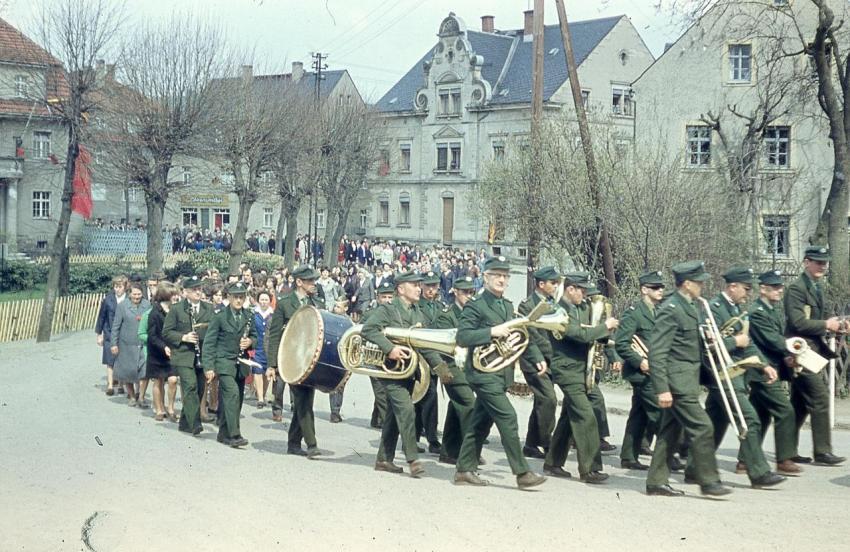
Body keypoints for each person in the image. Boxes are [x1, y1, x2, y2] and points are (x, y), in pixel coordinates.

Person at [453, 256, 546, 489]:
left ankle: (464, 470)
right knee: (508, 416)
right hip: (482, 374)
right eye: (496, 275)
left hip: (499, 373)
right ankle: (522, 473)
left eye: (505, 276)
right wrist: (493, 331)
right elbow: (462, 337)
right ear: (485, 277)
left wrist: (536, 358)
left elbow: (519, 336)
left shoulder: (507, 306)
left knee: (479, 424)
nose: (501, 279)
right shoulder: (476, 305)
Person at [645, 261, 730, 497]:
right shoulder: (672, 308)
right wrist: (662, 388)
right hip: (677, 383)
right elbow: (658, 352)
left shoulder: (690, 306)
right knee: (703, 427)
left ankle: (656, 482)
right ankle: (709, 481)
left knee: (669, 432)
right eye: (699, 282)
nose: (702, 285)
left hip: (686, 380)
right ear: (687, 284)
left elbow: (687, 345)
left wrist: (709, 340)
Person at [701, 266, 785, 489]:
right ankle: (759, 473)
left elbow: (748, 344)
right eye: (746, 289)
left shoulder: (738, 309)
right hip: (721, 375)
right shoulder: (714, 309)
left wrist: (763, 365)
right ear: (732, 286)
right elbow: (708, 346)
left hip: (737, 374)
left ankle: (693, 467)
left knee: (714, 425)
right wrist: (734, 343)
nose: (748, 293)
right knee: (749, 420)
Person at [362, 270, 439, 477]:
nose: (418, 288)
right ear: (401, 289)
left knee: (393, 416)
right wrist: (390, 349)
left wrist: (441, 368)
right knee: (406, 410)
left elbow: (424, 343)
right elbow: (368, 329)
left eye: (418, 285)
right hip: (390, 372)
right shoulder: (388, 310)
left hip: (409, 371)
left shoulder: (417, 312)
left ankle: (384, 459)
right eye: (414, 285)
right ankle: (413, 458)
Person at [542, 273, 615, 484]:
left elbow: (591, 333)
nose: (585, 295)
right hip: (566, 370)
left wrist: (605, 332)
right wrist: (604, 327)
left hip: (580, 369)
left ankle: (553, 463)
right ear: (570, 289)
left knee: (568, 417)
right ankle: (590, 469)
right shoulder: (558, 311)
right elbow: (578, 334)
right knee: (586, 416)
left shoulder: (581, 308)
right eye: (581, 290)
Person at [784, 245, 846, 465]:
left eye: (824, 262)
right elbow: (797, 322)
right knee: (820, 398)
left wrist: (836, 324)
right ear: (806, 262)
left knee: (799, 405)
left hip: (812, 352)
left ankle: (787, 451)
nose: (822, 266)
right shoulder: (797, 289)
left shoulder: (816, 287)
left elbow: (818, 319)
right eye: (818, 262)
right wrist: (826, 325)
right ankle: (822, 451)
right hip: (800, 353)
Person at [748, 269, 803, 475]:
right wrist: (794, 349)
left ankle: (745, 459)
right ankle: (784, 459)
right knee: (785, 411)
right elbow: (772, 340)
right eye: (775, 287)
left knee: (760, 416)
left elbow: (774, 341)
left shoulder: (771, 310)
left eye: (781, 286)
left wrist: (786, 357)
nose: (780, 290)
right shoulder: (757, 312)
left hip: (770, 368)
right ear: (763, 289)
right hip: (761, 371)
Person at [266, 266, 325, 458]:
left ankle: (293, 443)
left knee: (304, 400)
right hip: (290, 360)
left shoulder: (314, 303)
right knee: (303, 401)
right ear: (299, 282)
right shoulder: (284, 304)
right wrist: (272, 364)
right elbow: (274, 335)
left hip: (308, 360)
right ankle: (312, 444)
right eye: (310, 281)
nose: (314, 285)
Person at [615, 270, 665, 470]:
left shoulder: (658, 311)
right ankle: (671, 454)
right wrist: (640, 362)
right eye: (655, 287)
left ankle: (628, 456)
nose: (660, 290)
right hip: (641, 372)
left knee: (639, 414)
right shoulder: (634, 312)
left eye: (661, 287)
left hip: (654, 370)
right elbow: (621, 344)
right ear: (644, 290)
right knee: (661, 414)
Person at [203, 282, 256, 447]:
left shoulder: (249, 316)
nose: (239, 301)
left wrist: (250, 342)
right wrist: (209, 367)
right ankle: (234, 435)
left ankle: (223, 433)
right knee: (232, 394)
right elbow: (209, 343)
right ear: (229, 298)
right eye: (235, 297)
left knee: (236, 399)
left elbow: (255, 336)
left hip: (241, 363)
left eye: (242, 297)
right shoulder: (219, 317)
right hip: (224, 362)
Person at [517, 266, 560, 460]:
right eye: (553, 283)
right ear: (541, 284)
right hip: (534, 360)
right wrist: (550, 354)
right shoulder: (527, 305)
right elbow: (532, 335)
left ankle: (530, 444)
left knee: (541, 401)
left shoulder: (554, 304)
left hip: (550, 360)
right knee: (548, 399)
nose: (556, 286)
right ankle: (547, 441)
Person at [433, 276, 477, 464]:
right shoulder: (446, 315)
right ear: (455, 292)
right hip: (451, 367)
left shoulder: (472, 313)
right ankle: (470, 453)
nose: (468, 296)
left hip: (468, 367)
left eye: (471, 292)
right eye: (465, 292)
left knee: (457, 405)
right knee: (469, 405)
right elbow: (442, 347)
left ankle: (449, 451)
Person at [164, 275, 214, 433]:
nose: (198, 292)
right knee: (190, 386)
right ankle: (195, 423)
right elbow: (166, 332)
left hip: (202, 355)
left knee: (199, 389)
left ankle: (185, 422)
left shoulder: (208, 308)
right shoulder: (177, 309)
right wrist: (183, 337)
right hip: (184, 355)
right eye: (194, 290)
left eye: (199, 289)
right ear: (185, 292)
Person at [415, 271, 444, 454]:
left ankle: (429, 438)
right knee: (421, 399)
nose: (431, 290)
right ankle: (420, 439)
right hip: (420, 360)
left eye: (434, 286)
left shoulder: (441, 307)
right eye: (428, 286)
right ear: (422, 286)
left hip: (436, 358)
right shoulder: (417, 307)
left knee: (430, 400)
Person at [110, 283, 150, 405]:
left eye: (139, 294)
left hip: (143, 344)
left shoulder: (147, 305)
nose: (137, 297)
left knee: (144, 372)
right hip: (126, 344)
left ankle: (141, 397)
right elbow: (116, 326)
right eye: (134, 294)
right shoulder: (122, 306)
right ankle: (132, 396)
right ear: (129, 294)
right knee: (128, 372)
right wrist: (113, 344)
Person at [146, 282, 179, 421]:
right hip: (157, 352)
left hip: (172, 351)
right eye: (173, 294)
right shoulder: (154, 312)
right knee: (158, 381)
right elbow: (152, 336)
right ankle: (159, 409)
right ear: (166, 295)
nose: (176, 297)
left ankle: (171, 407)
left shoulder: (175, 310)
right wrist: (163, 347)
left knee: (173, 380)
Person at [365, 281, 395, 429]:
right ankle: (385, 422)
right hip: (374, 357)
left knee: (384, 389)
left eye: (390, 297)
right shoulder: (370, 314)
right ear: (378, 298)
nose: (388, 300)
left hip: (389, 357)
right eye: (384, 297)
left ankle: (375, 419)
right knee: (381, 391)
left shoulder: (395, 314)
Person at [96, 275, 127, 396]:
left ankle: (120, 384)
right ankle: (110, 385)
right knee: (110, 360)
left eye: (120, 287)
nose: (117, 289)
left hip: (124, 333)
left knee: (122, 359)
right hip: (109, 332)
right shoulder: (108, 299)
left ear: (125, 287)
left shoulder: (128, 300)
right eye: (115, 286)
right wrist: (99, 334)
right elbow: (101, 317)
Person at [251, 290, 274, 408]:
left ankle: (263, 394)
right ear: (258, 301)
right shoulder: (253, 314)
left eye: (266, 300)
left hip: (269, 348)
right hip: (256, 347)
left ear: (270, 301)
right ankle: (260, 398)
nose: (264, 302)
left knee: (266, 373)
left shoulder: (273, 315)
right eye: (262, 299)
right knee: (257, 371)